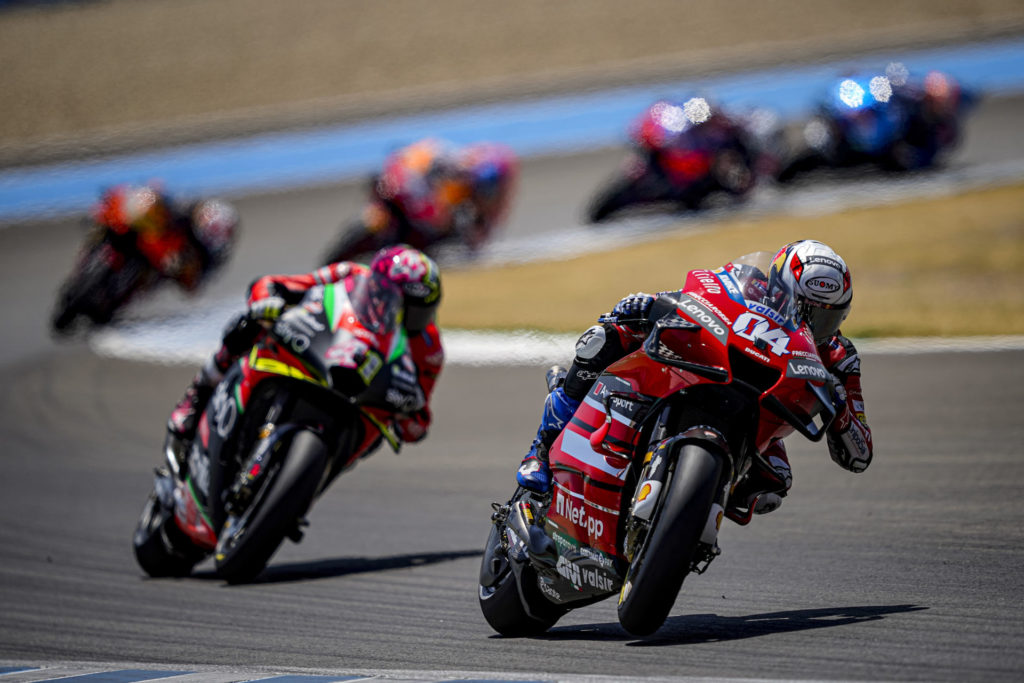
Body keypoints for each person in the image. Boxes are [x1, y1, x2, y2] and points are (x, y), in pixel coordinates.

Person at [515, 240, 873, 517]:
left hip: (760, 423)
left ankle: (695, 518)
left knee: (773, 481)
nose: (813, 327)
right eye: (804, 310)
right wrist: (649, 303)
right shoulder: (748, 288)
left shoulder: (840, 357)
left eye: (828, 318)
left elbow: (860, 455)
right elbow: (699, 295)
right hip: (708, 371)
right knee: (603, 339)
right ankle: (544, 445)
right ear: (779, 288)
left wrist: (840, 406)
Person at [166, 244, 444, 449]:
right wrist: (267, 300)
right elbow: (277, 284)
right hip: (315, 348)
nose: (406, 316)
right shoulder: (348, 273)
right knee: (247, 324)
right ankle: (197, 395)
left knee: (375, 438)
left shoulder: (428, 348)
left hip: (360, 397)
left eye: (420, 310)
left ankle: (311, 478)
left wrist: (406, 409)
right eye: (402, 304)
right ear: (377, 287)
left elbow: (417, 423)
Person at [374, 138, 518, 250]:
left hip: (420, 189)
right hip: (408, 184)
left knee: (442, 222)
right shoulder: (453, 163)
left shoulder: (482, 175)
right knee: (438, 220)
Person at [94, 183, 238, 291]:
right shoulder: (184, 207)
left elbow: (194, 285)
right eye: (208, 223)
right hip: (149, 237)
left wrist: (184, 269)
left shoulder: (214, 255)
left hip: (159, 264)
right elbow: (156, 196)